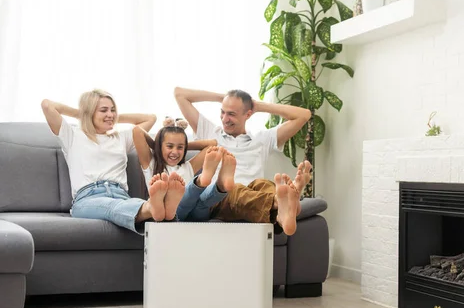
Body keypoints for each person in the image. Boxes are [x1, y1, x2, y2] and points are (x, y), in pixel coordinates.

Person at [173, 87, 312, 235]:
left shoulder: (262, 140)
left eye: (231, 114)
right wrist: (224, 97)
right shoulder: (211, 133)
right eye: (223, 112)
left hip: (255, 192)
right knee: (236, 189)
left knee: (263, 184)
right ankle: (284, 203)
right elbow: (179, 94)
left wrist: (259, 106)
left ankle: (282, 210)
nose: (225, 119)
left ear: (248, 114)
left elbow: (304, 115)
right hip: (220, 197)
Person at [40, 89, 181, 233]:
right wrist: (83, 115)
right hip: (88, 198)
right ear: (89, 112)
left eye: (113, 110)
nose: (111, 114)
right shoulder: (72, 135)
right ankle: (153, 208)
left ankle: (159, 210)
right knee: (112, 207)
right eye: (103, 110)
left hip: (121, 196)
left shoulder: (121, 138)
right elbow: (47, 105)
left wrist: (109, 118)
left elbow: (150, 118)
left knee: (123, 204)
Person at [132, 117, 237, 221]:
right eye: (170, 146)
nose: (175, 151)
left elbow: (212, 144)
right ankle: (203, 182)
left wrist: (185, 145)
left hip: (195, 215)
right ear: (160, 146)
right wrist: (157, 145)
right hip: (173, 214)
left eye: (180, 147)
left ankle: (220, 185)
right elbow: (137, 131)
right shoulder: (151, 164)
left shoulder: (187, 166)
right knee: (194, 202)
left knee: (202, 203)